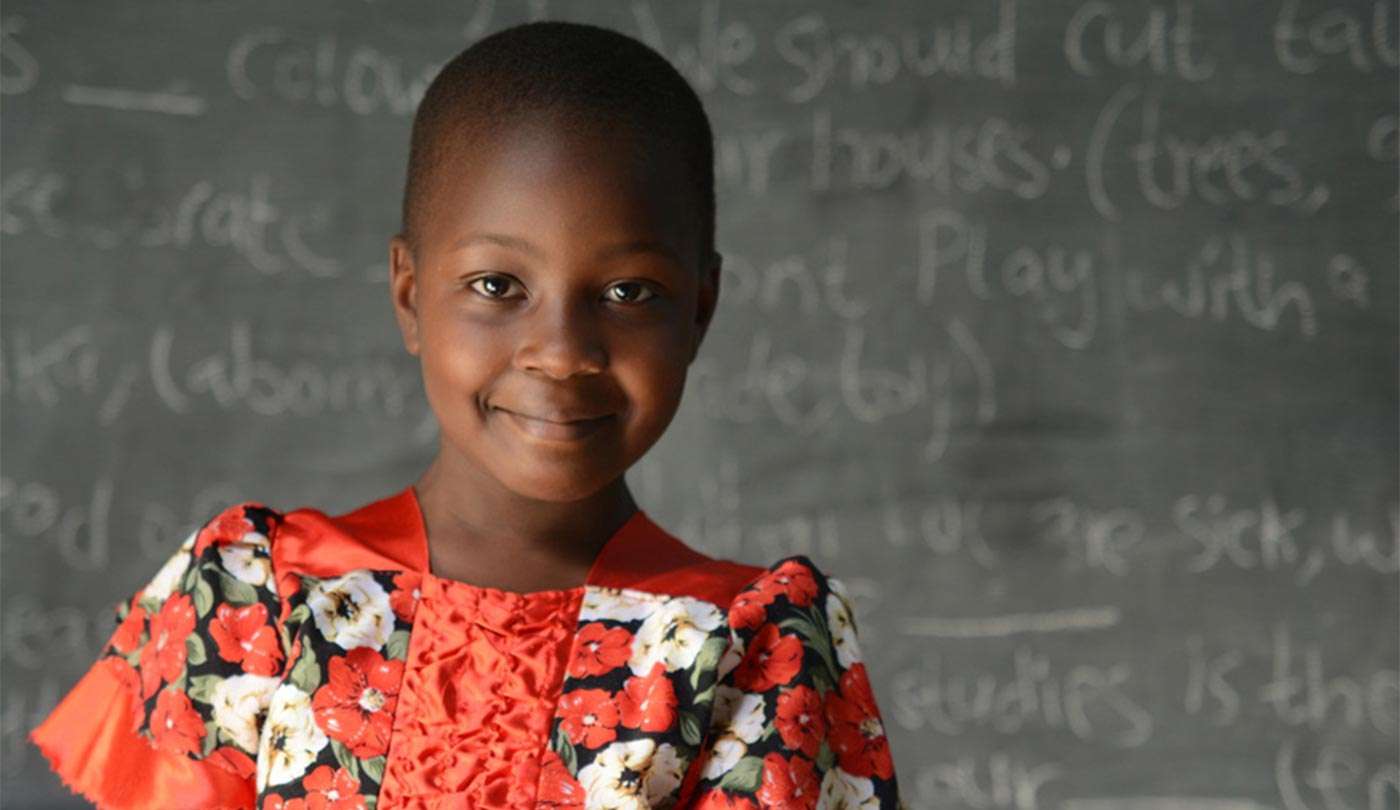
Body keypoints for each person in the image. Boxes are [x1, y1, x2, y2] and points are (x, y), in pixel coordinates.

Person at [29, 20, 904, 810]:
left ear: (701, 310)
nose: (561, 351)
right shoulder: (257, 599)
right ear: (410, 295)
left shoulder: (753, 649)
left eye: (630, 291)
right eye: (498, 286)